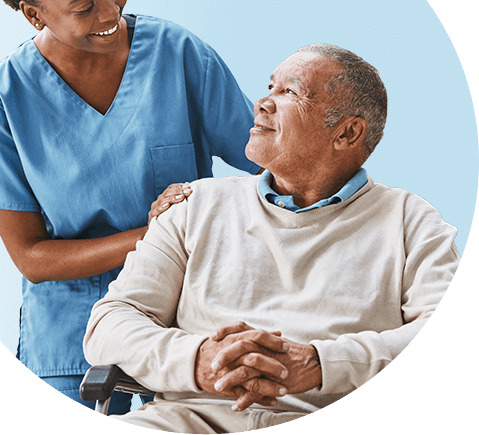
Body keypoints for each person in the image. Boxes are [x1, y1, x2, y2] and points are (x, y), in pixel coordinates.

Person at [0, 0, 260, 413]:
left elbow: (270, 161)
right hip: (72, 336)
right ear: (35, 14)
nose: (111, 13)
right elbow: (31, 257)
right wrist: (157, 235)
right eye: (85, 6)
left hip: (188, 320)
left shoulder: (176, 53)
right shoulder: (1, 102)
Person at [84, 43, 460, 432]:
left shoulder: (412, 222)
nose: (263, 103)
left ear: (348, 133)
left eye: (290, 92)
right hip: (185, 420)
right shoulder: (194, 204)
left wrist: (320, 364)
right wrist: (197, 359)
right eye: (270, 87)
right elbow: (110, 323)